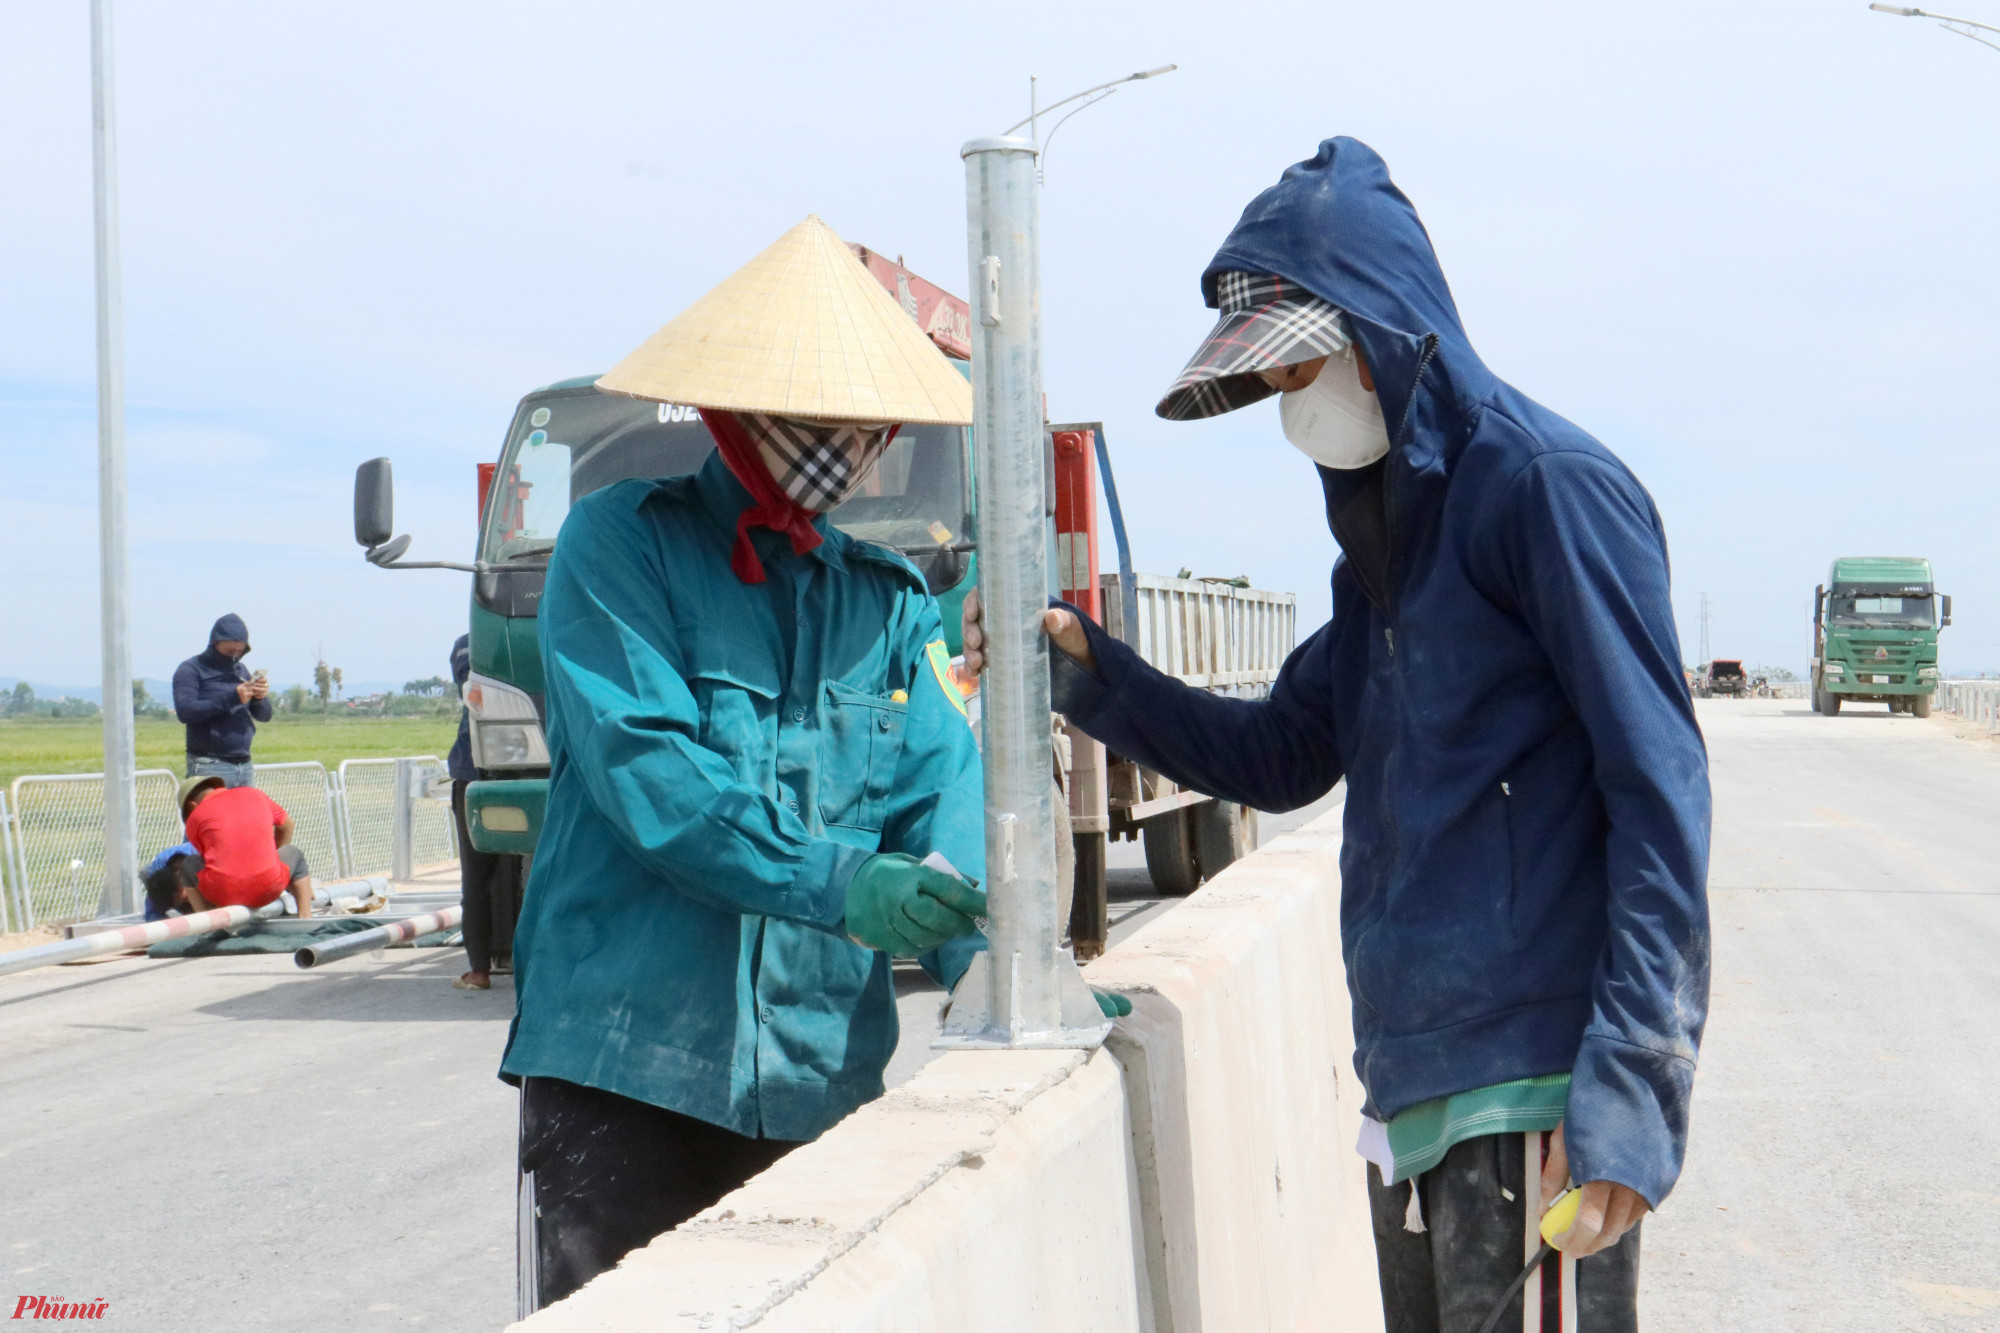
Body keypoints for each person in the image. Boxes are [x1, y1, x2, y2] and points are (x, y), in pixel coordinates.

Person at [964, 138, 1710, 1332]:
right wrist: (1091, 676)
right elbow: (1282, 754)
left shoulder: (1544, 490)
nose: (1289, 402)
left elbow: (1659, 793)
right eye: (1272, 382)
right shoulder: (1380, 558)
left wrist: (1626, 1087)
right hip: (1412, 1095)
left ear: (1383, 334)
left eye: (1298, 364)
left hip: (1529, 1092)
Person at [499, 215, 1007, 1312]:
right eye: (819, 416)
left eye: (867, 422)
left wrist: (984, 956)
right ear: (743, 409)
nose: (848, 441)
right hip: (624, 1065)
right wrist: (839, 881)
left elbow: (940, 782)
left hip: (820, 1071)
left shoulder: (881, 600)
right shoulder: (618, 544)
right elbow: (655, 777)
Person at [446, 632, 519, 991]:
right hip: (515, 765)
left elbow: (472, 687)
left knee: (476, 876)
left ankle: (479, 970)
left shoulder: (469, 643)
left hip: (476, 771)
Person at [169, 774, 314, 917]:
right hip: (269, 889)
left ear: (192, 806)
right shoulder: (256, 795)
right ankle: (305, 915)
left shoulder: (195, 816)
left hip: (224, 896)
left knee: (188, 864)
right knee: (295, 853)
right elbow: (288, 825)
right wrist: (275, 864)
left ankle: (206, 920)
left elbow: (208, 860)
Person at [172, 614, 271, 786]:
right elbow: (186, 712)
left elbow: (264, 716)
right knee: (212, 814)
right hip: (209, 764)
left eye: (239, 651)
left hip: (244, 764)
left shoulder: (241, 670)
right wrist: (233, 697)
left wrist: (259, 698)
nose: (234, 655)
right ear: (215, 643)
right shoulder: (191, 669)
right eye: (229, 650)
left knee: (247, 814)